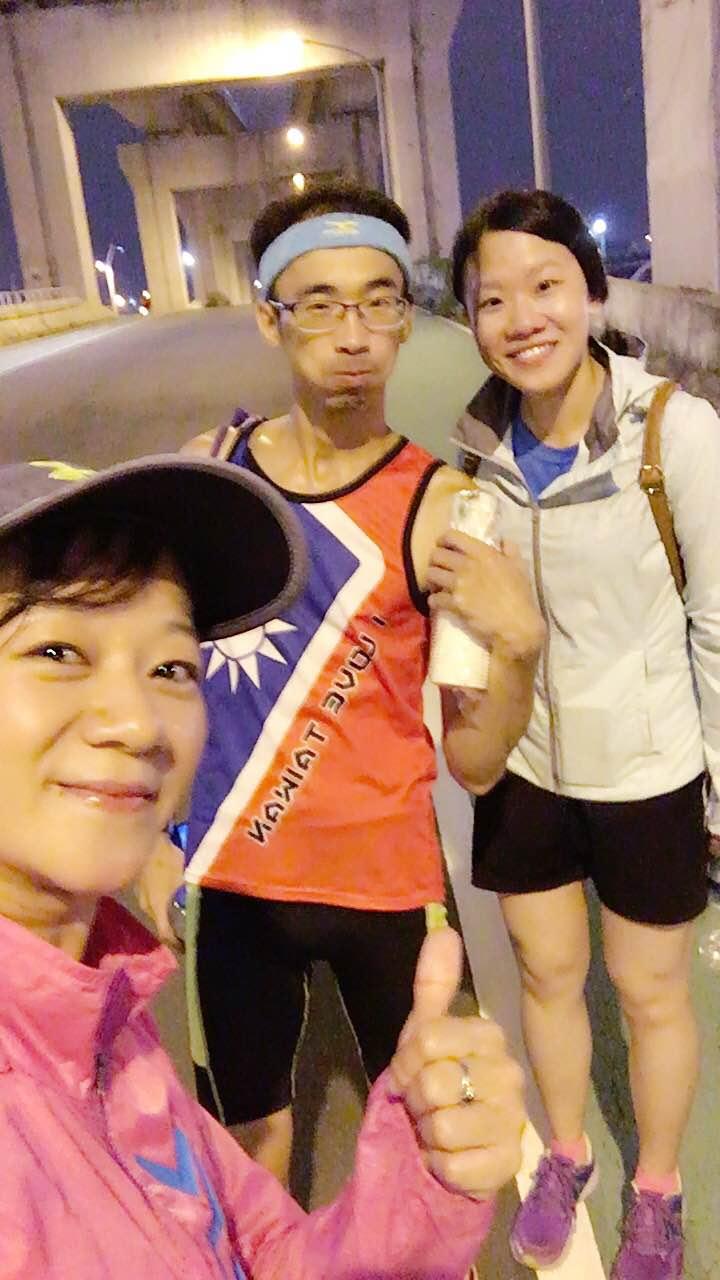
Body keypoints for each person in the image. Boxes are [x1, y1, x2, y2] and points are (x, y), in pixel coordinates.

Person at [0, 452, 527, 1279]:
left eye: (172, 667)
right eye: (58, 651)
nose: (137, 721)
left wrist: (418, 1192)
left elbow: (262, 1251)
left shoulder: (105, 1018)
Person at [138, 179, 544, 1185]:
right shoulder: (214, 475)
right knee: (250, 1146)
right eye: (320, 304)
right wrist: (152, 843)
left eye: (379, 300)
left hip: (384, 886)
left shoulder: (443, 507)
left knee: (425, 1149)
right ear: (271, 319)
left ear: (407, 317)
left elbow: (475, 761)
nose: (354, 334)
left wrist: (521, 647)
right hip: (236, 883)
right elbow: (156, 675)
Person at [444, 187, 720, 1280]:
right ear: (470, 318)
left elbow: (718, 623)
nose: (523, 318)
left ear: (593, 292)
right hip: (527, 764)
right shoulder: (475, 450)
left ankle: (658, 1186)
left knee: (650, 993)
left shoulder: (674, 431)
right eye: (492, 298)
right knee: (548, 977)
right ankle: (567, 1154)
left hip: (649, 767)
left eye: (547, 285)